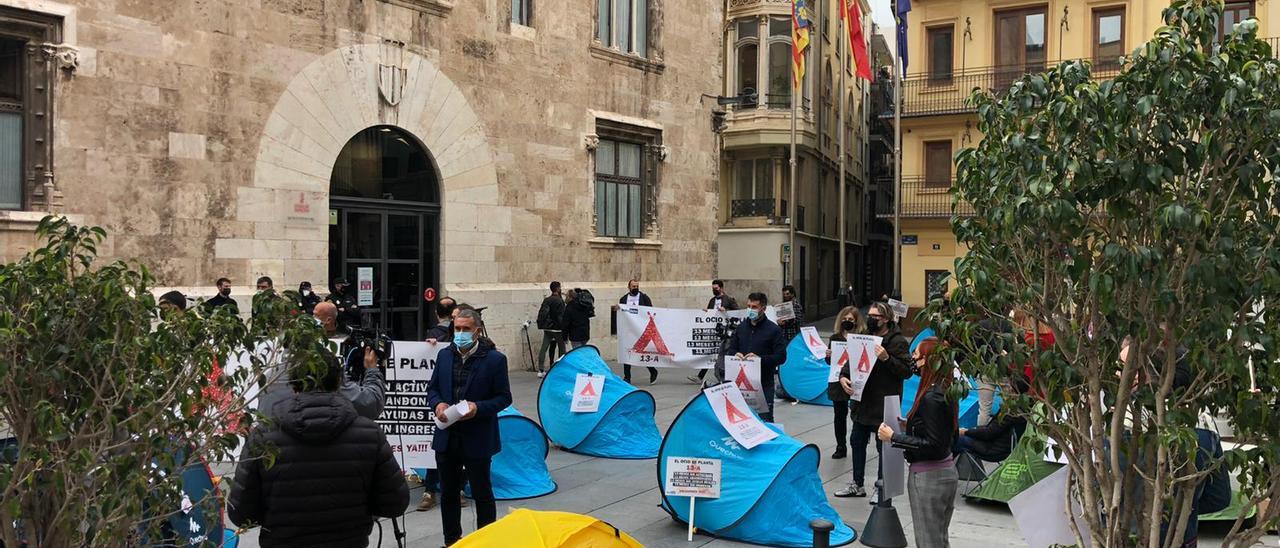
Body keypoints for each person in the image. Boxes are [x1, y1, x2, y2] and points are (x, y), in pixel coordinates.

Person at [227, 343, 410, 547]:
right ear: (339, 382)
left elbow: (240, 512)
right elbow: (395, 503)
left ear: (294, 385)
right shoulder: (370, 434)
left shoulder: (262, 437)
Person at [426, 309, 513, 546]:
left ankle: (486, 541)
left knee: (482, 493)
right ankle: (451, 540)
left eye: (465, 329)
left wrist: (478, 407)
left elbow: (504, 398)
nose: (461, 333)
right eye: (457, 328)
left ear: (476, 330)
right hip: (447, 434)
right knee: (449, 493)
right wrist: (438, 404)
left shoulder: (495, 360)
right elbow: (432, 389)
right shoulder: (445, 356)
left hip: (478, 436)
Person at [877, 337, 959, 548]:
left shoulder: (932, 396)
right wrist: (909, 426)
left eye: (917, 357)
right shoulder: (945, 390)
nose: (913, 361)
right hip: (944, 472)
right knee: (939, 539)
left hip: (929, 476)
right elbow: (942, 433)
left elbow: (933, 444)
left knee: (928, 541)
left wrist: (894, 438)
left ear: (929, 361)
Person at [835, 301, 912, 499]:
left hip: (883, 402)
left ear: (885, 319)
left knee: (883, 446)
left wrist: (887, 358)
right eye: (869, 314)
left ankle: (881, 487)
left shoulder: (898, 341)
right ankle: (857, 484)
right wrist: (843, 377)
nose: (870, 319)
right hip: (862, 401)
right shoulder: (865, 337)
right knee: (857, 441)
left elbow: (906, 371)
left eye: (875, 316)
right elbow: (850, 362)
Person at [416, 296, 464, 513]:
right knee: (438, 447)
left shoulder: (476, 345)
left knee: (460, 450)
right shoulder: (436, 338)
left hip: (463, 407)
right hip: (442, 407)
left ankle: (457, 488)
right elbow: (432, 385)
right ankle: (430, 489)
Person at [726, 292, 787, 422]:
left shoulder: (773, 330)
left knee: (765, 420)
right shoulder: (741, 328)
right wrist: (734, 354)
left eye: (754, 307)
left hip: (764, 384)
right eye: (748, 306)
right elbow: (731, 349)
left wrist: (760, 359)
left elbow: (781, 357)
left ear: (763, 309)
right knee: (741, 419)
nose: (750, 309)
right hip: (741, 385)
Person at [954, 376, 1029, 462]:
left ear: (1011, 390)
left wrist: (966, 431)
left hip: (993, 449)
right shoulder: (1024, 407)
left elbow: (989, 433)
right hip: (1001, 446)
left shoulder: (1010, 411)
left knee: (954, 439)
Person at [826, 306, 866, 460]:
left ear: (856, 322)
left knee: (858, 413)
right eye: (845, 319)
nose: (847, 322)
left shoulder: (862, 337)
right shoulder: (835, 338)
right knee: (839, 415)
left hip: (856, 378)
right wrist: (828, 355)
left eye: (850, 319)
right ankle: (840, 446)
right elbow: (831, 361)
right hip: (837, 380)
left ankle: (857, 442)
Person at [691, 280, 741, 383]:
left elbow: (737, 312)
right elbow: (710, 312)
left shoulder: (729, 299)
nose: (714, 290)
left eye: (716, 288)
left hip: (726, 331)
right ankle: (700, 376)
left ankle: (724, 375)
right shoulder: (712, 300)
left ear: (721, 288)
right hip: (714, 330)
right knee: (711, 351)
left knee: (722, 353)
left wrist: (726, 310)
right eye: (713, 289)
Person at [615, 280, 657, 385]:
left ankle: (652, 370)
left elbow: (650, 312)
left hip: (640, 330)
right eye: (633, 286)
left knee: (640, 353)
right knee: (627, 352)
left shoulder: (644, 298)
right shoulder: (624, 299)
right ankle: (627, 377)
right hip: (628, 330)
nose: (635, 288)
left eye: (637, 286)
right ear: (628, 287)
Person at [535, 283, 566, 376]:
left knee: (544, 347)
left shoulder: (547, 300)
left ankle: (540, 369)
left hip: (547, 328)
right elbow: (561, 316)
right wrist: (563, 327)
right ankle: (561, 368)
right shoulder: (560, 301)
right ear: (557, 289)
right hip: (557, 328)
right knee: (562, 348)